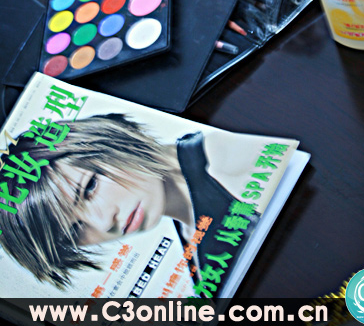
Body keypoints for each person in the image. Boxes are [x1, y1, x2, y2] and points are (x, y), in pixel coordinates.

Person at [0, 113, 270, 293]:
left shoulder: (227, 159)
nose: (103, 222)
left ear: (110, 140)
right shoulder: (190, 235)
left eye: (90, 187)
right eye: (75, 230)